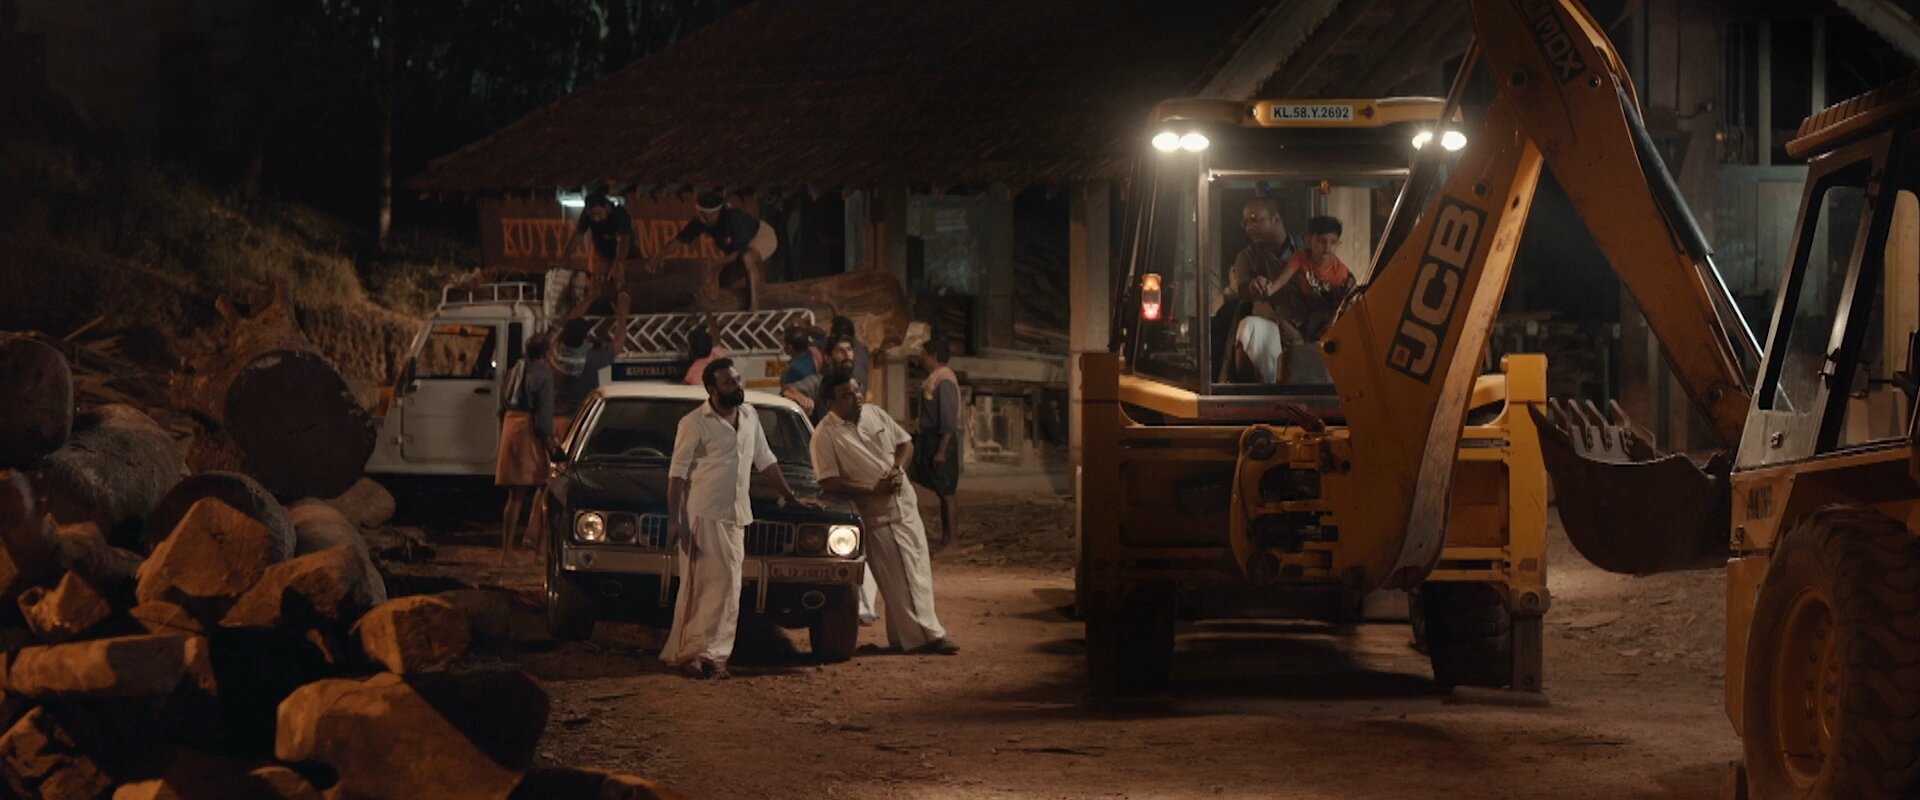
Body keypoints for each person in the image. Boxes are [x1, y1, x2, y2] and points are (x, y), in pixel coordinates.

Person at [663, 359, 818, 679]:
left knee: (729, 587)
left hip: (736, 515)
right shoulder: (694, 423)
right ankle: (691, 653)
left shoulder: (749, 416)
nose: (737, 386)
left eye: (737, 380)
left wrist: (790, 496)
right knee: (701, 586)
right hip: (704, 515)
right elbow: (677, 474)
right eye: (729, 382)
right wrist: (675, 520)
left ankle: (715, 655)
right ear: (711, 389)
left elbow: (765, 460)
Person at [811, 373, 959, 655]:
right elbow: (828, 481)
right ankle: (930, 636)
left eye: (857, 391)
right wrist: (871, 489)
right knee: (899, 579)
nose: (856, 398)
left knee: (918, 571)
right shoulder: (824, 436)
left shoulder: (875, 414)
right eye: (846, 395)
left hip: (904, 505)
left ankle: (904, 638)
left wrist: (898, 470)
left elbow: (905, 443)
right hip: (875, 516)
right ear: (830, 402)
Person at [1228, 214, 1355, 383]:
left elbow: (1343, 308)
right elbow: (1279, 283)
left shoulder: (1342, 274)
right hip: (1297, 323)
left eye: (1333, 242)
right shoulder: (1300, 258)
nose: (1327, 247)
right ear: (1309, 241)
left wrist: (1328, 330)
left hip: (1327, 325)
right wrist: (1264, 288)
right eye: (1321, 241)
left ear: (1339, 244)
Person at [1212, 196, 1305, 381]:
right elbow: (1243, 290)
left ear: (1276, 219)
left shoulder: (1307, 251)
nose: (1249, 227)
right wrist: (1252, 287)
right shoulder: (1247, 258)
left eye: (1255, 219)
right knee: (1249, 327)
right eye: (1246, 222)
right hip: (1273, 329)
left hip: (1310, 330)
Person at [643, 192, 777, 311]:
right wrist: (660, 255)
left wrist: (715, 263)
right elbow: (680, 240)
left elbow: (738, 252)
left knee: (747, 257)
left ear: (716, 213)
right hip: (739, 247)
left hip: (761, 236)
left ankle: (754, 305)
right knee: (726, 278)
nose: (701, 218)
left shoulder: (734, 218)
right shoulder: (702, 221)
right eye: (700, 215)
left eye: (705, 216)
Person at [495, 333, 557, 567]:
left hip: (511, 428)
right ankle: (540, 551)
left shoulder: (513, 371)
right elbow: (544, 419)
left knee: (515, 496)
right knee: (545, 487)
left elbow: (501, 406)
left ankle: (506, 552)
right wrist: (550, 443)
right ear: (546, 353)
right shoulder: (544, 375)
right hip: (530, 431)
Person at [909, 337, 962, 550]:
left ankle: (953, 540)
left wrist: (942, 450)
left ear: (934, 356)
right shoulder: (934, 379)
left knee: (947, 492)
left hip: (941, 440)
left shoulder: (944, 381)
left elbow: (949, 421)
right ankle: (946, 538)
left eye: (924, 355)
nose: (921, 359)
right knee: (941, 491)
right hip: (932, 438)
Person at [560, 190, 634, 297]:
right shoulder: (588, 214)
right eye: (592, 216)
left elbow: (624, 241)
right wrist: (565, 257)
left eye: (599, 214)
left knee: (621, 280)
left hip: (626, 256)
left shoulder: (619, 214)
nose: (595, 219)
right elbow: (578, 235)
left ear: (606, 207)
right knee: (600, 281)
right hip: (603, 255)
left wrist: (619, 263)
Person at [780, 326, 822, 419]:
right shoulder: (813, 359)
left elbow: (788, 396)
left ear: (789, 347)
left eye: (784, 344)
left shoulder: (793, 369)